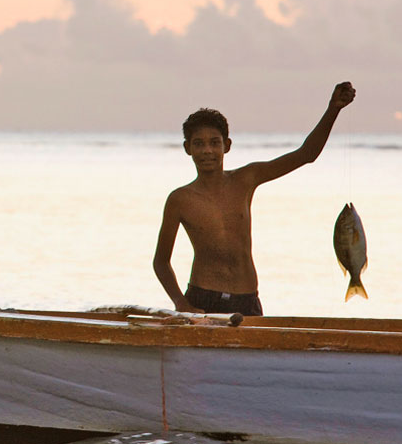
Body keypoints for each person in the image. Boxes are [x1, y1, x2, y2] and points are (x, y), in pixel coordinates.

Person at [153, 82, 357, 315]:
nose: (207, 150)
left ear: (227, 146)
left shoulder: (245, 179)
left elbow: (306, 154)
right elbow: (161, 262)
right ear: (187, 148)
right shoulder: (180, 199)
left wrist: (333, 109)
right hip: (202, 297)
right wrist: (181, 303)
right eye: (198, 144)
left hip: (246, 299)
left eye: (214, 143)